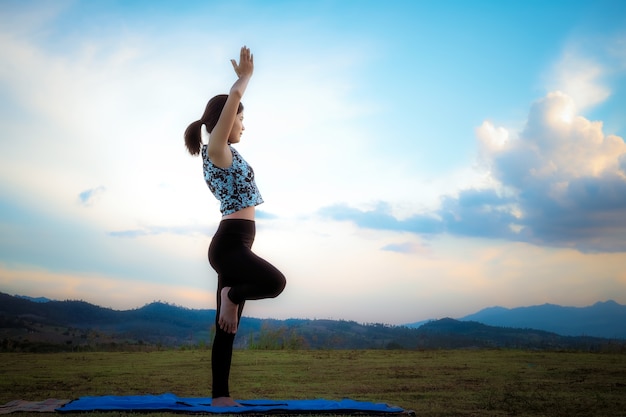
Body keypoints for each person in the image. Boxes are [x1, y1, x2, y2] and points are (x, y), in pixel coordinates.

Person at [183, 46, 286, 407]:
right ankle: (233, 295)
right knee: (275, 283)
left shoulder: (229, 153)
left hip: (236, 244)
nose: (244, 124)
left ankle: (220, 397)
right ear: (226, 119)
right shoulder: (217, 151)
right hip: (230, 244)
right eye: (241, 119)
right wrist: (242, 81)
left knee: (226, 327)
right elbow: (233, 104)